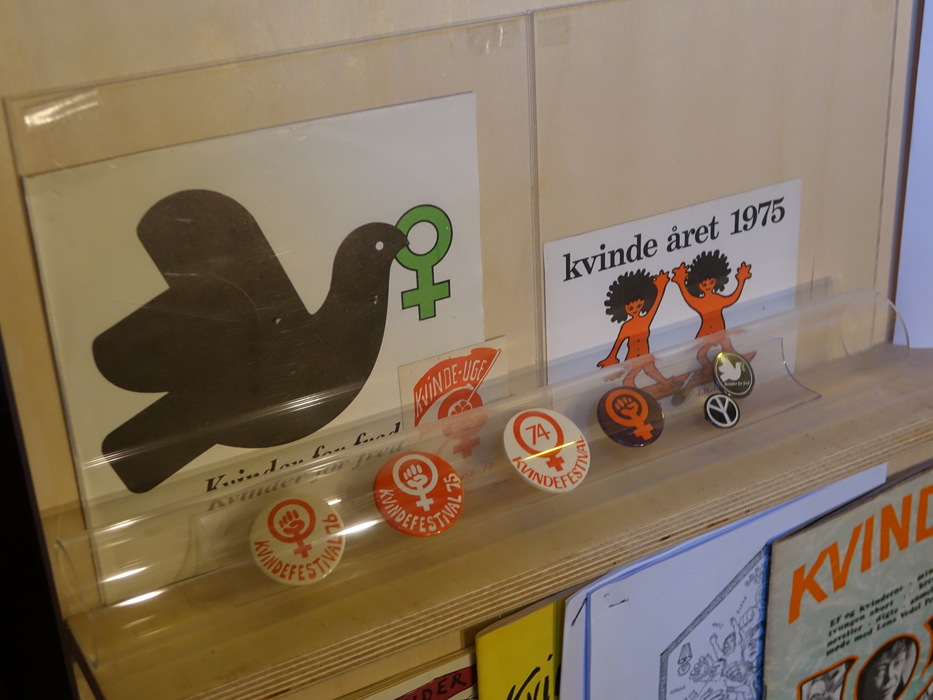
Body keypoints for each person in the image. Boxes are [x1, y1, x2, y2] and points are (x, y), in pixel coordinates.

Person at [671, 250, 751, 365]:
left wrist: (741, 280)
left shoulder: (718, 299)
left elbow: (732, 298)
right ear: (697, 285)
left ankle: (737, 362)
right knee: (702, 351)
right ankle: (707, 367)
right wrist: (680, 282)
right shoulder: (699, 302)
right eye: (704, 284)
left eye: (711, 282)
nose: (708, 285)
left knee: (726, 345)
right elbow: (688, 297)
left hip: (719, 329)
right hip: (706, 332)